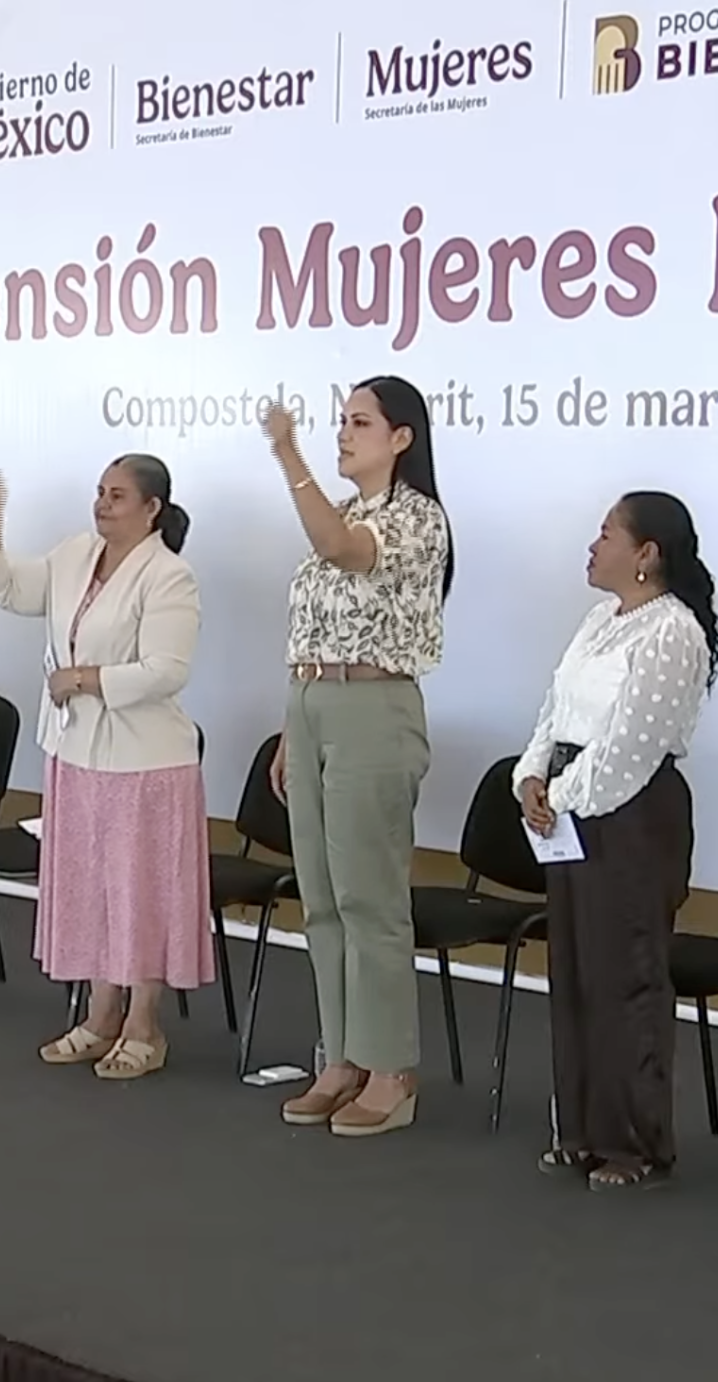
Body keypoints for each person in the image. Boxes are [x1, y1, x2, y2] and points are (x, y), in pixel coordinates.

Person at [0, 456, 206, 1078]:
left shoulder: (169, 575)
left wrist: (84, 679)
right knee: (95, 887)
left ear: (152, 508)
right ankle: (100, 1018)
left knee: (140, 892)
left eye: (118, 495)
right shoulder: (76, 554)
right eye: (100, 492)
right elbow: (7, 589)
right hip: (76, 753)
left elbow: (167, 670)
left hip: (145, 763)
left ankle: (144, 1026)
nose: (102, 504)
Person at [514, 492, 718, 1190]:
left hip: (630, 816)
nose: (592, 545)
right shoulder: (599, 620)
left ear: (647, 554)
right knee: (577, 970)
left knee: (625, 976)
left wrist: (560, 795)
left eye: (607, 534)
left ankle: (634, 1144)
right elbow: (554, 712)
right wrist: (531, 777)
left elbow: (632, 747)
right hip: (575, 806)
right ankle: (579, 1130)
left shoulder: (671, 631)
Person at [265, 376, 453, 1138]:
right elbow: (316, 626)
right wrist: (292, 727)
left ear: (402, 437)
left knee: (369, 897)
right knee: (321, 896)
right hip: (313, 702)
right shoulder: (343, 508)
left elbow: (342, 553)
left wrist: (289, 455)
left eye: (360, 422)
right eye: (340, 420)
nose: (343, 433)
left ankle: (390, 1069)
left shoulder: (417, 517)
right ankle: (341, 1056)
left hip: (375, 709)